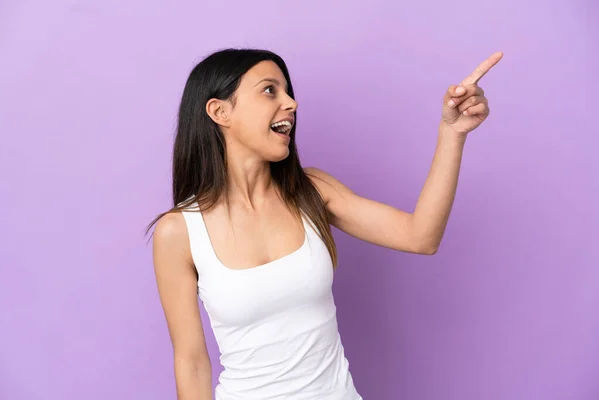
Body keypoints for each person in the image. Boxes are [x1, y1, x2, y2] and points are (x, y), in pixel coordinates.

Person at [147, 48, 503, 399]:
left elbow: (421, 236)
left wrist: (452, 134)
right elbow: (191, 362)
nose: (291, 103)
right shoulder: (178, 232)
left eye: (288, 92)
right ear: (220, 111)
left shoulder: (313, 191)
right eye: (270, 90)